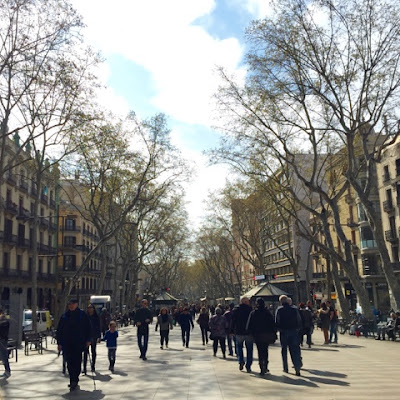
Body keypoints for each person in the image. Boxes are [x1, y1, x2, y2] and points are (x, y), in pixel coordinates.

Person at [57, 299, 91, 391]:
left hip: (78, 343)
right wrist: (59, 343)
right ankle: (72, 379)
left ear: (76, 304)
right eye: (69, 304)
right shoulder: (65, 316)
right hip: (67, 343)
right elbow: (60, 330)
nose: (71, 306)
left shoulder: (82, 315)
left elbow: (88, 328)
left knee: (77, 361)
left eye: (72, 304)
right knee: (69, 362)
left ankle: (75, 379)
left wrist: (88, 340)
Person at [246, 298, 277, 375]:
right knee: (265, 350)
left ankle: (261, 367)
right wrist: (274, 332)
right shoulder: (267, 312)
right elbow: (272, 324)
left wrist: (250, 332)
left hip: (257, 335)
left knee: (260, 351)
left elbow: (249, 325)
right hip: (266, 334)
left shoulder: (253, 313)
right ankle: (265, 365)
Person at [275, 295, 302, 376]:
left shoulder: (279, 310)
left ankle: (285, 367)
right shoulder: (294, 309)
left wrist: (279, 329)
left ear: (281, 302)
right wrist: (298, 329)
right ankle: (297, 367)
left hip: (283, 332)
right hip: (294, 331)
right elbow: (299, 320)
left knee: (284, 350)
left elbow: (277, 321)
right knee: (295, 350)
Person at [230, 296, 253, 373]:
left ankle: (241, 361)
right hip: (248, 332)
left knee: (239, 347)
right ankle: (248, 365)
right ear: (246, 302)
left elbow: (233, 321)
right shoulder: (250, 309)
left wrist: (231, 331)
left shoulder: (236, 310)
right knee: (249, 349)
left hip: (238, 332)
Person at [83, 304, 101, 374]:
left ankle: (93, 365)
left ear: (93, 309)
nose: (89, 309)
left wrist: (99, 336)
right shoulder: (85, 316)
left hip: (94, 336)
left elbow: (99, 327)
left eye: (91, 308)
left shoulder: (96, 317)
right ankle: (84, 368)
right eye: (88, 308)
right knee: (85, 352)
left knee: (93, 351)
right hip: (86, 336)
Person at [0, 309, 11, 379]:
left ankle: (7, 370)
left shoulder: (5, 321)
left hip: (2, 340)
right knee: (3, 356)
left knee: (4, 356)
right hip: (2, 339)